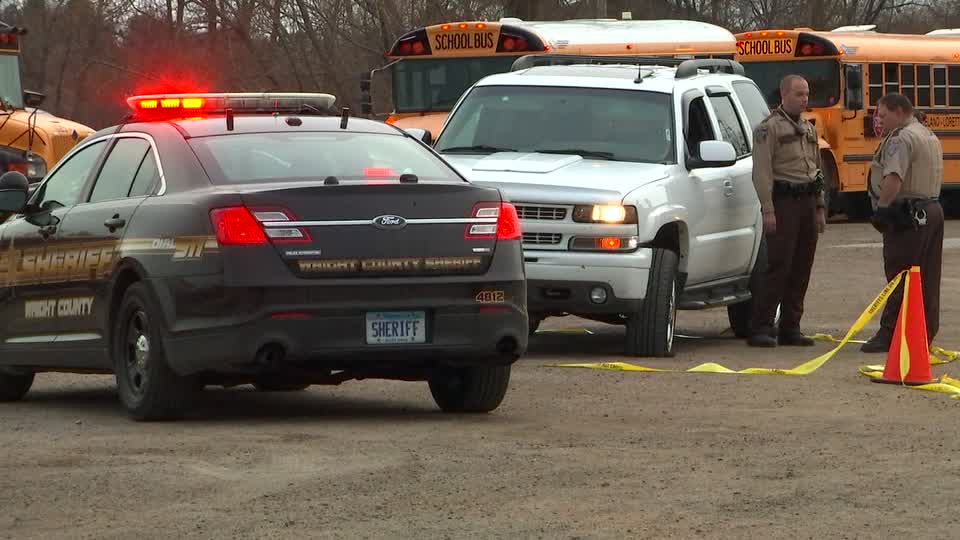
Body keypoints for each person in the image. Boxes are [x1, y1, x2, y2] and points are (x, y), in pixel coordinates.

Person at [747, 74, 827, 347]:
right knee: (778, 265)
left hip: (805, 201)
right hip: (783, 202)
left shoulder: (809, 128)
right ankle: (761, 325)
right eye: (798, 94)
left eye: (806, 94)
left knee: (802, 266)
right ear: (784, 95)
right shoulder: (768, 129)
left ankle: (791, 326)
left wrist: (819, 206)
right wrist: (768, 209)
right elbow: (762, 172)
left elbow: (816, 170)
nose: (804, 99)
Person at [862, 93, 944, 353]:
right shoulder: (927, 134)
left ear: (899, 111)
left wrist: (883, 210)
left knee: (899, 274)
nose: (879, 120)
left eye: (883, 115)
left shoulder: (902, 138)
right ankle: (924, 332)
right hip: (931, 210)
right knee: (927, 277)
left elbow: (894, 176)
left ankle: (890, 333)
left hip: (906, 216)